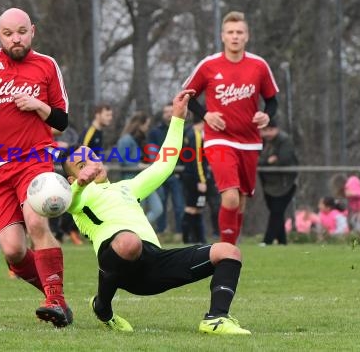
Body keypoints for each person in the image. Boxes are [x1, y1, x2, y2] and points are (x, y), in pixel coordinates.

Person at [62, 90, 251, 335]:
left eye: (92, 158)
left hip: (155, 266)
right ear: (71, 178)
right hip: (121, 264)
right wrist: (78, 185)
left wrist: (178, 119)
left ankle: (216, 318)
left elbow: (164, 164)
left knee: (230, 251)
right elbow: (67, 202)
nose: (92, 166)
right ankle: (103, 306)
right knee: (129, 241)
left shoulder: (127, 188)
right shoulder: (77, 197)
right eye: (81, 165)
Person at [0, 7, 72, 327]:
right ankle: (57, 296)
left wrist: (39, 106)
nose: (16, 38)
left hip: (34, 160)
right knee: (13, 251)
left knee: (37, 224)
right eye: (8, 34)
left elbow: (62, 121)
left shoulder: (47, 65)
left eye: (21, 31)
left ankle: (55, 299)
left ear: (32, 31)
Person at [183, 11, 279, 244]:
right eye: (230, 32)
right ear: (222, 36)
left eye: (239, 32)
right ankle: (225, 251)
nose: (235, 36)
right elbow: (188, 95)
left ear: (247, 36)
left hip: (249, 140)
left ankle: (231, 246)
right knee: (231, 197)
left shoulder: (259, 65)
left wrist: (266, 116)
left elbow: (272, 100)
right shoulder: (209, 65)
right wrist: (206, 115)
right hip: (219, 139)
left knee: (241, 198)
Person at [116, 111, 163, 224]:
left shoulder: (141, 140)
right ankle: (135, 230)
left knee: (157, 209)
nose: (147, 128)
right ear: (140, 125)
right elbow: (120, 160)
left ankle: (139, 227)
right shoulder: (126, 140)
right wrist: (137, 166)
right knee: (137, 211)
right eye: (146, 125)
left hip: (144, 179)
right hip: (131, 181)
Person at [258, 119, 298, 245]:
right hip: (268, 184)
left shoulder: (285, 140)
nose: (268, 133)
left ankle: (267, 241)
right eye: (265, 130)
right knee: (277, 213)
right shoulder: (261, 141)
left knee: (277, 211)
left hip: (285, 183)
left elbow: (284, 159)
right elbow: (256, 159)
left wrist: (267, 161)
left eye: (270, 130)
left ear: (276, 129)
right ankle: (282, 241)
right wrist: (268, 161)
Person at [147, 103, 185, 236]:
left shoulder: (182, 129)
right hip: (161, 174)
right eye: (166, 112)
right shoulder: (155, 132)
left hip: (177, 174)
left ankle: (180, 233)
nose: (169, 114)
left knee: (179, 205)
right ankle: (161, 232)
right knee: (161, 205)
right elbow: (151, 152)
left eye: (171, 111)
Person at [180, 115, 208, 244]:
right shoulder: (195, 135)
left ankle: (197, 239)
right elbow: (197, 161)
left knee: (197, 208)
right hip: (194, 177)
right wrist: (201, 180)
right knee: (192, 208)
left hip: (188, 176)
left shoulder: (187, 131)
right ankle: (187, 238)